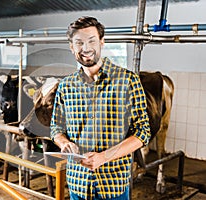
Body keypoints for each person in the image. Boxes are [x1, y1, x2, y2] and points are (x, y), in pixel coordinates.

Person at [50, 16, 151, 200]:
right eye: (79, 42)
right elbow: (56, 128)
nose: (86, 48)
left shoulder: (128, 81)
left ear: (102, 42)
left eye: (91, 41)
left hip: (113, 185)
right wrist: (64, 143)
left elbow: (142, 132)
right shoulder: (65, 86)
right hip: (78, 184)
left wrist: (104, 157)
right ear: (72, 48)